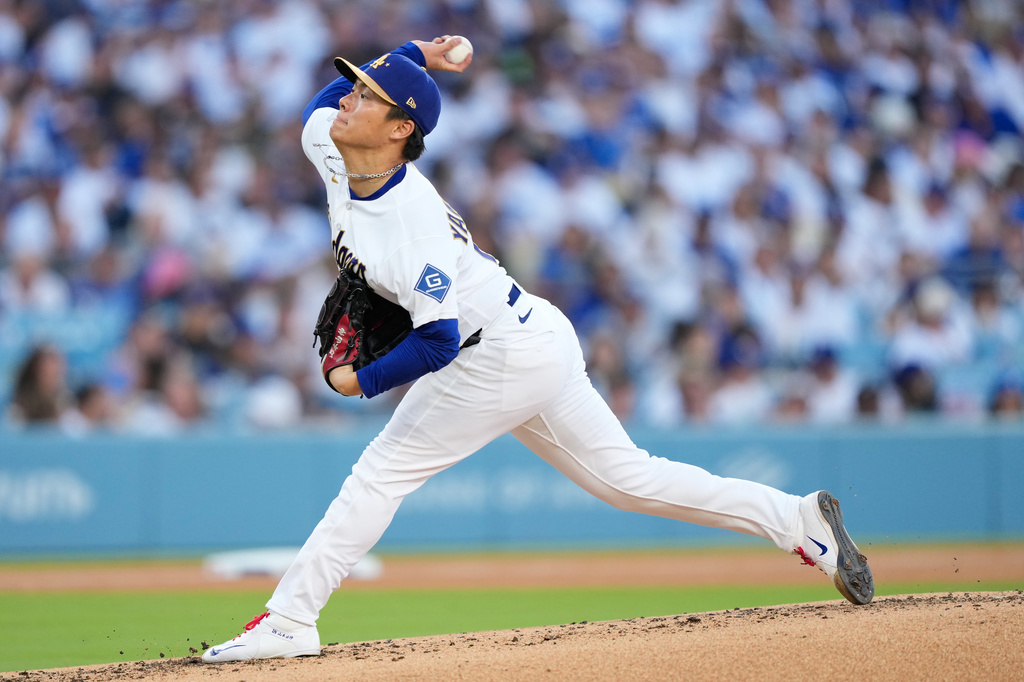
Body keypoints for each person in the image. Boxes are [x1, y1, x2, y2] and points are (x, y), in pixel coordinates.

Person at [202, 36, 874, 663]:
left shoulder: (411, 225)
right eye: (354, 88)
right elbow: (316, 111)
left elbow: (436, 341)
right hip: (528, 332)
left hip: (494, 352)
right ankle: (796, 518)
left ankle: (291, 618)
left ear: (401, 130)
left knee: (381, 473)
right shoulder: (334, 142)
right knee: (627, 480)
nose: (344, 99)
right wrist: (415, 55)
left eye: (365, 96)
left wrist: (365, 382)